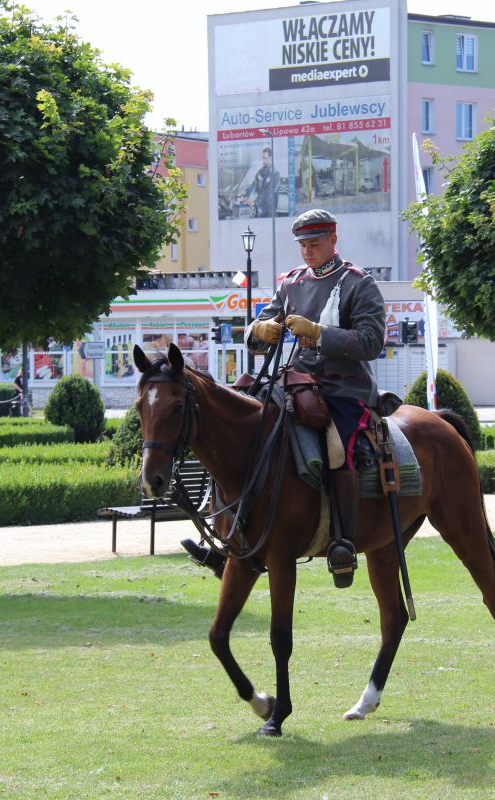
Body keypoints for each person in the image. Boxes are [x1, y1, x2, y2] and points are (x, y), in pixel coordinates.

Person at [181, 209, 387, 588]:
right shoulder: (290, 283)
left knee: (336, 448)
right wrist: (259, 329)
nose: (308, 252)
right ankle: (224, 535)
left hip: (342, 387)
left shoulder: (359, 282)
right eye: (303, 246)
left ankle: (342, 542)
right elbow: (259, 333)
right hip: (292, 382)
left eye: (315, 244)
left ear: (333, 240)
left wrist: (321, 333)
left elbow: (373, 342)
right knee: (234, 429)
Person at [242, 146, 280, 218]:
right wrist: (246, 195)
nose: (263, 161)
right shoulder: (260, 172)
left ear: (271, 158)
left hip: (270, 211)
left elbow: (270, 191)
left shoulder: (275, 173)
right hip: (259, 209)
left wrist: (255, 201)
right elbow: (254, 185)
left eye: (265, 158)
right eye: (263, 158)